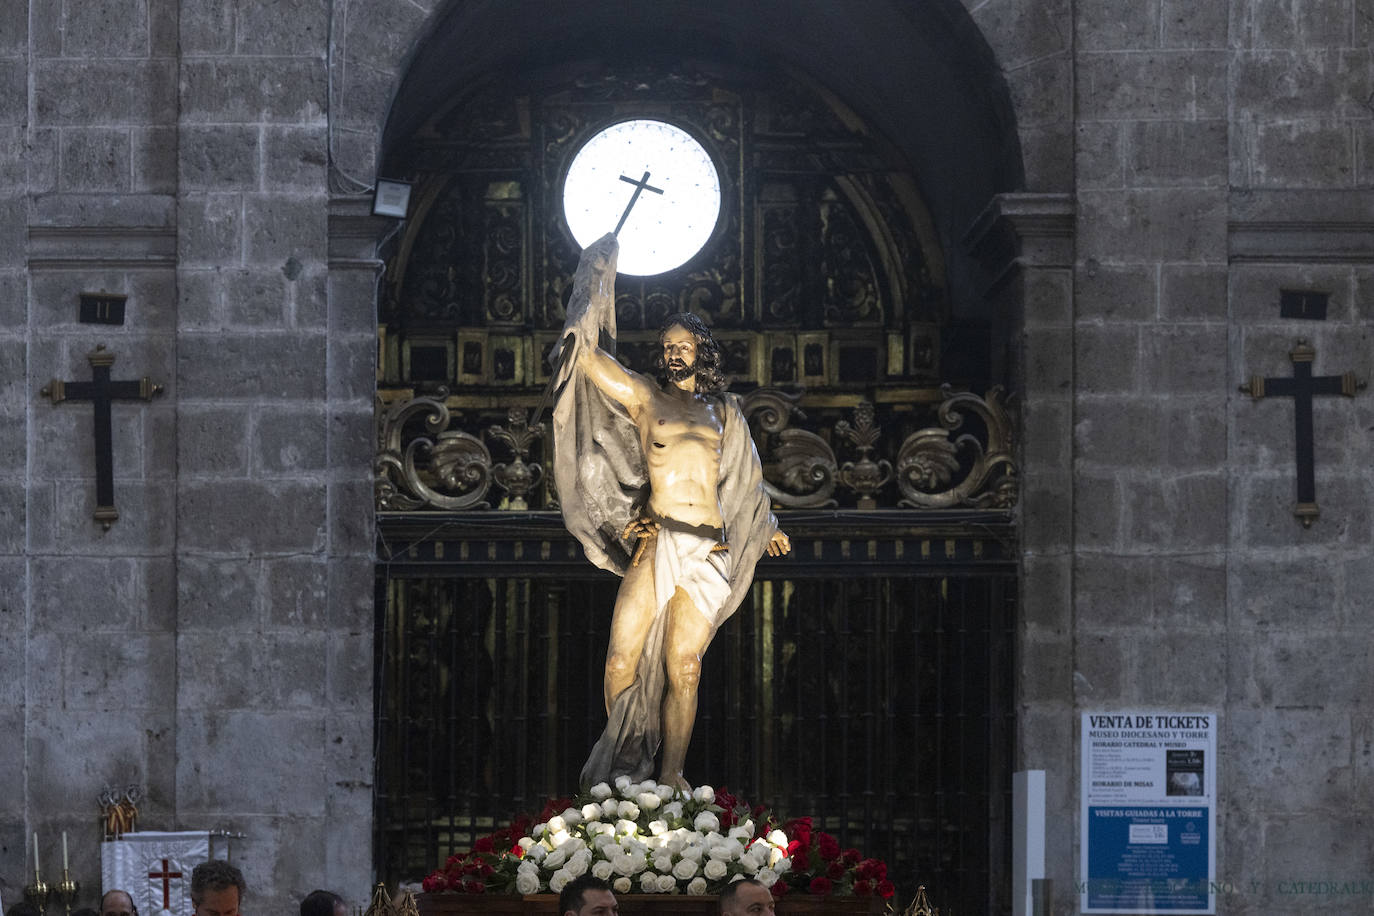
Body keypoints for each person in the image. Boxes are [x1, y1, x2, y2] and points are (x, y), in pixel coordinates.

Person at [552, 233, 789, 790]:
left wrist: (768, 523)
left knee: (685, 667)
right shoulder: (645, 399)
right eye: (669, 343)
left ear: (703, 350)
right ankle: (625, 766)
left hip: (708, 548)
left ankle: (673, 775)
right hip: (659, 541)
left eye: (685, 344)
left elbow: (745, 477)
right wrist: (594, 277)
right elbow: (583, 355)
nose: (675, 351)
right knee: (619, 661)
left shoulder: (723, 412)